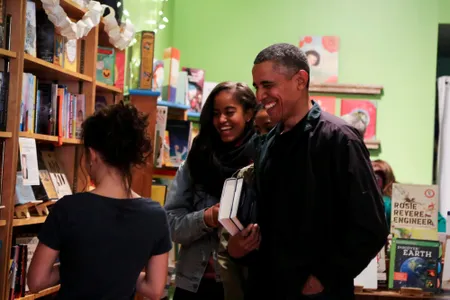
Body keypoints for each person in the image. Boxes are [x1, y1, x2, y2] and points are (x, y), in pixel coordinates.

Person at [235, 43, 388, 299]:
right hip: (265, 287)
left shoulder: (339, 139)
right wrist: (240, 244)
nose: (260, 96)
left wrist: (324, 277)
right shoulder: (270, 141)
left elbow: (371, 226)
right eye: (257, 86)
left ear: (300, 80)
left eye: (268, 85)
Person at [27, 102, 172, 300]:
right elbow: (154, 290)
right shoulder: (155, 215)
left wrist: (74, 268)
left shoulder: (68, 209)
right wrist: (121, 273)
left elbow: (36, 281)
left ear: (93, 155)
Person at [164, 81, 258, 300]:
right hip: (193, 284)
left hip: (241, 285)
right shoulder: (197, 159)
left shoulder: (262, 162)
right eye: (216, 114)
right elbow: (170, 224)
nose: (222, 120)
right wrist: (207, 218)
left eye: (229, 112)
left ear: (249, 114)